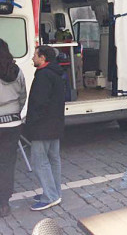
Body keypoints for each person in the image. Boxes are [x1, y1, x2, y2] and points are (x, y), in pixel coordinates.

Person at [25, 45, 65, 211]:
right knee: (53, 159)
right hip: (55, 123)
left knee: (40, 161)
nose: (32, 58)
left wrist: (30, 123)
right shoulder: (56, 73)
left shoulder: (43, 76)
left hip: (43, 126)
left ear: (43, 58)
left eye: (35, 55)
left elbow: (38, 103)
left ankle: (50, 196)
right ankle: (55, 191)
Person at [0, 39, 27, 217]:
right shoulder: (16, 71)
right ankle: (3, 204)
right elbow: (23, 95)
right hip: (13, 124)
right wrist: (16, 112)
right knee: (7, 164)